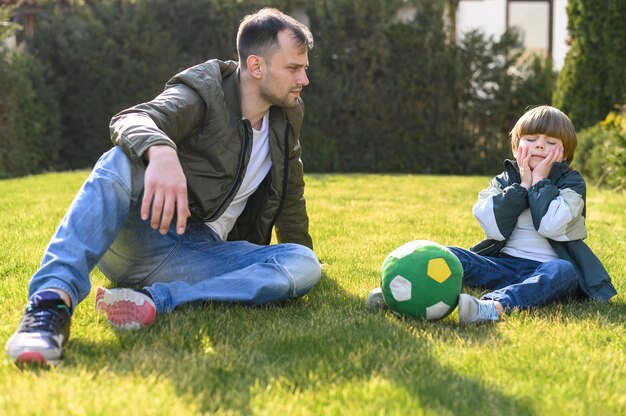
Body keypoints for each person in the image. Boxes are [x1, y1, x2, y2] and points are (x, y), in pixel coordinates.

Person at [6, 8, 321, 366]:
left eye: (304, 68)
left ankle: (156, 300)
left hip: (201, 256)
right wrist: (161, 151)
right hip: (144, 233)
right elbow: (132, 118)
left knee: (303, 263)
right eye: (294, 68)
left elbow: (290, 193)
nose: (304, 79)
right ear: (256, 66)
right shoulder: (205, 91)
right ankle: (49, 305)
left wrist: (301, 258)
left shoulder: (288, 115)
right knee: (120, 161)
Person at [366, 105, 616, 323]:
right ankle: (395, 294)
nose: (540, 145)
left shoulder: (572, 184)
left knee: (564, 271)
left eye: (551, 143)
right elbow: (492, 225)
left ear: (564, 154)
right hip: (504, 266)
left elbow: (551, 225)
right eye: (532, 139)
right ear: (517, 146)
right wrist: (522, 187)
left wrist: (540, 181)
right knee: (451, 255)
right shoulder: (506, 179)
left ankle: (491, 307)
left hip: (546, 270)